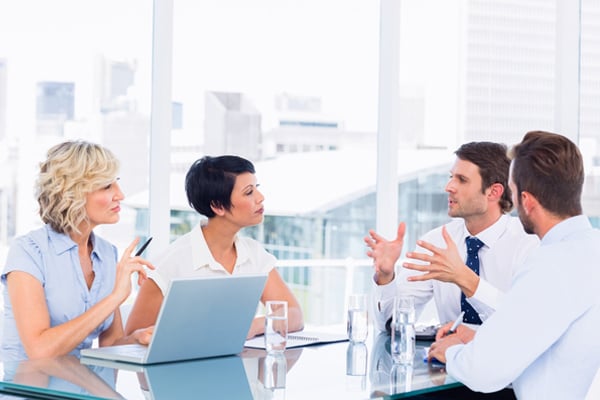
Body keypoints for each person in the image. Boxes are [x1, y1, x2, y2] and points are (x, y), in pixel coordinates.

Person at [428, 131, 600, 398]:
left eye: (513, 191)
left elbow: (481, 372)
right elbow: (550, 343)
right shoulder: (590, 249)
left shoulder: (550, 264)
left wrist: (449, 353)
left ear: (527, 201)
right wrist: (478, 341)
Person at [1, 140, 154, 361]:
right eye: (107, 186)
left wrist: (137, 338)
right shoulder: (28, 251)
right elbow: (40, 350)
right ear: (72, 193)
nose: (120, 195)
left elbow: (109, 344)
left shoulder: (107, 253)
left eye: (116, 183)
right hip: (27, 389)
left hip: (81, 387)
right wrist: (116, 297)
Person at [365, 142, 539, 332]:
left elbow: (523, 324)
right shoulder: (437, 241)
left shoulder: (529, 244)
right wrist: (385, 277)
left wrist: (463, 278)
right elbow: (390, 325)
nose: (449, 187)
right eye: (451, 177)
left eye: (462, 180)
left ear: (493, 192)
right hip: (446, 360)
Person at [125, 155, 304, 339]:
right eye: (249, 192)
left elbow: (293, 314)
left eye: (256, 188)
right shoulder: (169, 264)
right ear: (218, 206)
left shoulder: (254, 253)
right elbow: (131, 338)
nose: (260, 198)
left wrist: (252, 326)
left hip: (239, 364)